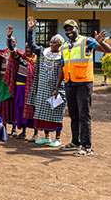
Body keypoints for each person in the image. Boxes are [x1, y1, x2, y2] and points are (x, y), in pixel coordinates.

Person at [53, 19, 110, 156]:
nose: (68, 32)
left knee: (84, 115)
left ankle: (86, 146)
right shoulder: (65, 46)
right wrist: (57, 86)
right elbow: (62, 67)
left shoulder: (87, 41)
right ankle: (75, 141)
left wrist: (101, 42)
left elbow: (108, 51)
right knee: (73, 114)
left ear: (77, 28)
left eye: (71, 29)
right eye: (66, 29)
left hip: (84, 84)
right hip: (70, 83)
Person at [25, 17, 65, 145]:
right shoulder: (43, 52)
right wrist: (30, 30)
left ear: (60, 45)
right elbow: (31, 45)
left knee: (56, 113)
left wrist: (58, 88)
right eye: (51, 42)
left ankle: (57, 138)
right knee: (42, 113)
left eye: (55, 43)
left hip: (56, 88)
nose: (52, 44)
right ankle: (46, 137)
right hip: (42, 89)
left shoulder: (63, 56)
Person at [4, 25, 37, 140]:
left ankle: (36, 133)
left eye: (29, 48)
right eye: (26, 47)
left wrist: (30, 31)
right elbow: (12, 51)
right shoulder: (21, 57)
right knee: (20, 109)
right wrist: (9, 37)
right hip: (20, 86)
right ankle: (23, 132)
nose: (27, 50)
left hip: (32, 89)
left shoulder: (37, 59)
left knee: (32, 109)